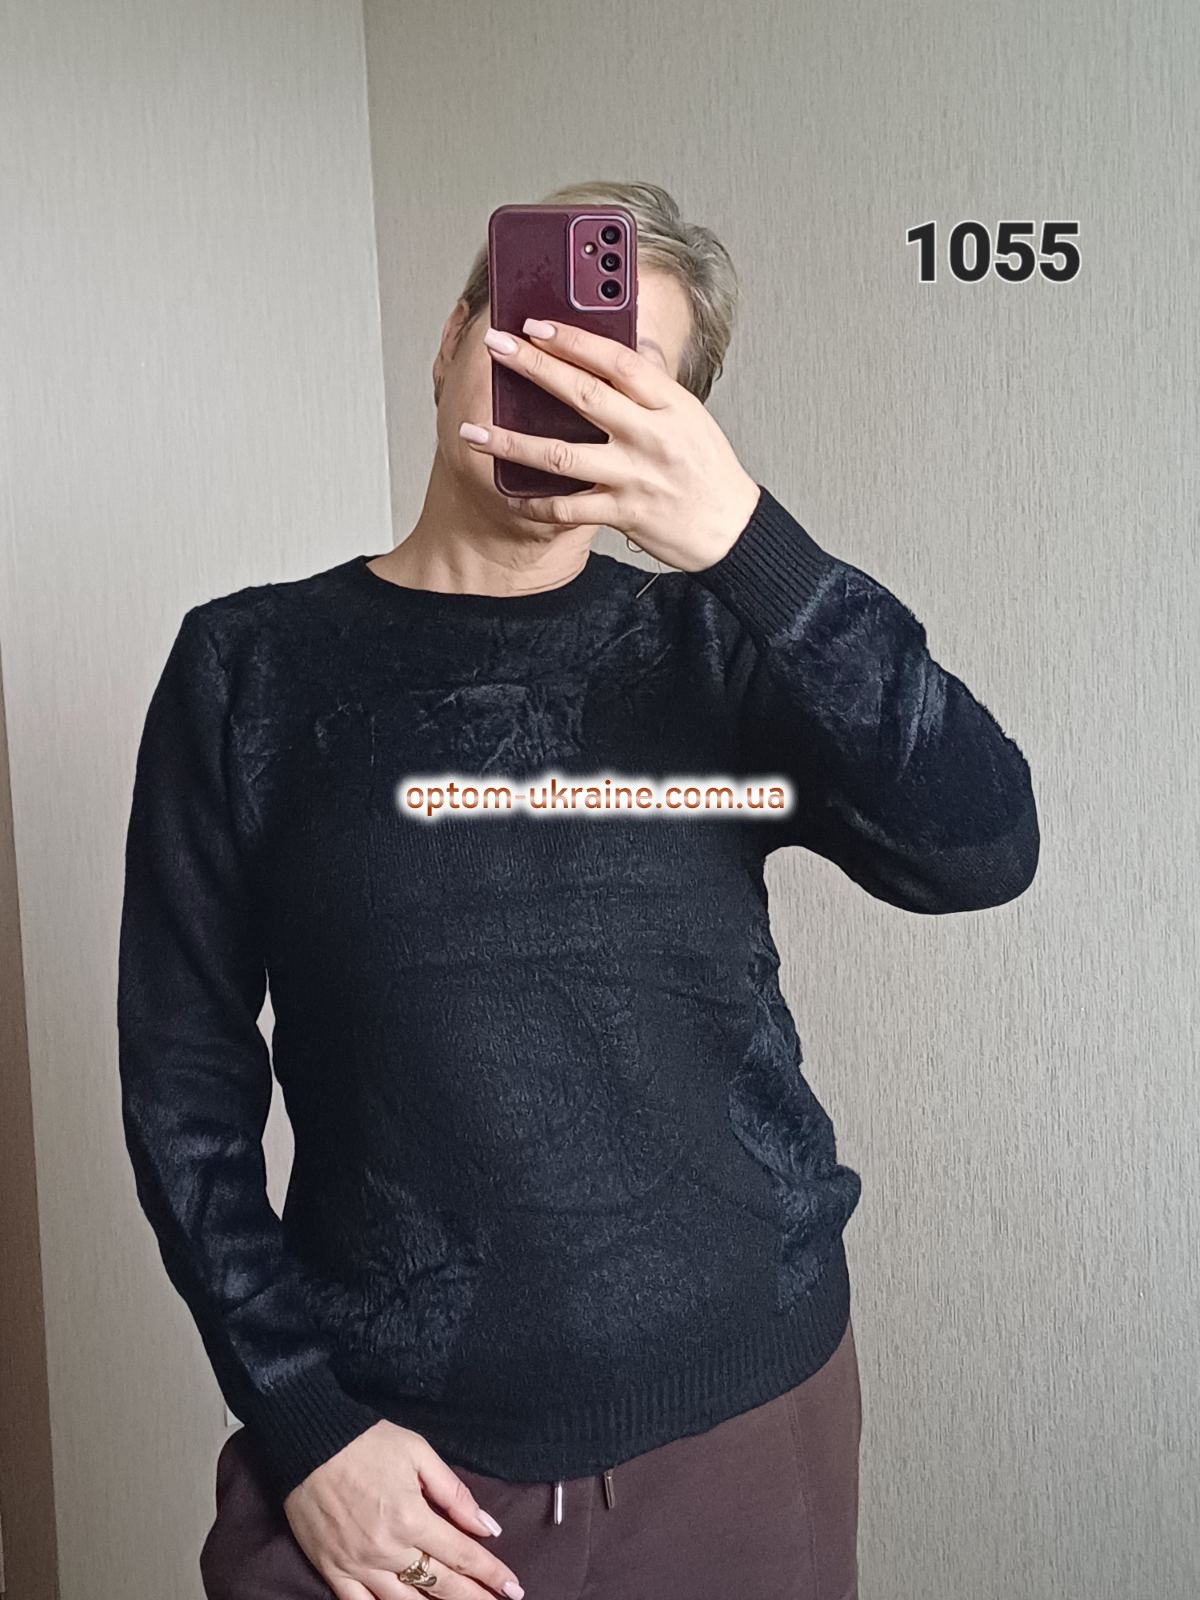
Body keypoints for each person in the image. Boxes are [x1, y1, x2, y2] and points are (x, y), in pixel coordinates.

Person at [117, 179, 1039, 1600]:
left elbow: (980, 845)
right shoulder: (249, 669)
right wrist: (303, 1423)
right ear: (451, 341)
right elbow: (183, 1087)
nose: (565, 390)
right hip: (406, 1461)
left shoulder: (716, 649)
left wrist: (751, 546)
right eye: (533, 337)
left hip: (749, 1419)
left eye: (623, 373)